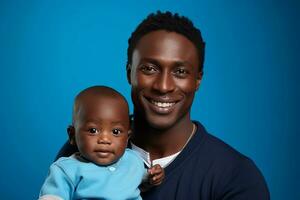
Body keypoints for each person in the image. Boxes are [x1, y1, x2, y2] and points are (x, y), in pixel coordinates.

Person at [57, 11, 270, 199]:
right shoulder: (82, 149)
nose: (163, 86)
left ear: (198, 80)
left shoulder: (236, 176)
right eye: (149, 68)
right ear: (129, 72)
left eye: (180, 72)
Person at [39, 86, 164, 200]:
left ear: (127, 137)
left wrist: (152, 178)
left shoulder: (133, 160)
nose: (105, 139)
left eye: (115, 132)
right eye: (93, 130)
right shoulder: (67, 169)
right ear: (72, 135)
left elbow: (138, 183)